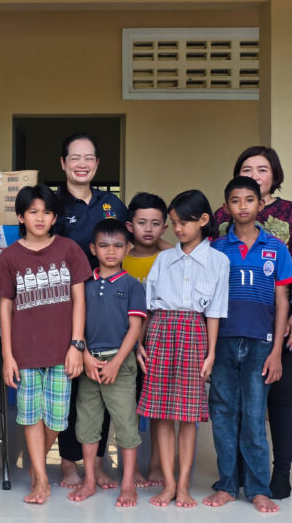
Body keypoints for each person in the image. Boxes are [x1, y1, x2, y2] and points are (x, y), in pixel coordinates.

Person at [214, 146, 292, 499]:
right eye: (247, 168)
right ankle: (236, 476)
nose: (255, 175)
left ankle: (279, 473)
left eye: (262, 169)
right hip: (232, 327)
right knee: (234, 402)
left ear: (274, 175)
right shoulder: (222, 217)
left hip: (281, 322)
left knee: (278, 396)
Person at [0, 184, 91, 504]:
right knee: (30, 416)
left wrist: (77, 345)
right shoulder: (10, 256)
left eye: (46, 212)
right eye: (32, 212)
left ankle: (36, 468)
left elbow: (79, 300)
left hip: (63, 350)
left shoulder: (69, 250)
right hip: (25, 351)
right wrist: (7, 355)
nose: (40, 218)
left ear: (55, 217)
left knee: (57, 418)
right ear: (21, 216)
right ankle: (41, 477)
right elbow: (5, 307)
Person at [203, 177, 292, 513]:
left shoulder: (277, 248)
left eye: (249, 200)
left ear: (261, 204)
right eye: (235, 200)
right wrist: (208, 351)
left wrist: (277, 352)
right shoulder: (215, 248)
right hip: (223, 342)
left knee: (255, 416)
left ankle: (258, 488)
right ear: (226, 207)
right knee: (223, 414)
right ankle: (227, 484)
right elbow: (206, 299)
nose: (242, 206)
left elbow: (282, 300)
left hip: (261, 344)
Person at [137, 190, 229, 508]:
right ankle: (169, 484)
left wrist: (211, 353)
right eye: (173, 223)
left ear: (203, 220)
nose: (177, 229)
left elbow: (215, 312)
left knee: (188, 416)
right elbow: (148, 309)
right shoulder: (163, 259)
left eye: (183, 223)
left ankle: (185, 486)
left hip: (194, 335)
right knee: (162, 415)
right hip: (160, 333)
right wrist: (139, 344)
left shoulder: (219, 261)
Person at [52, 132, 128, 489]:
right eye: (75, 158)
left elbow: (132, 241)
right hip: (62, 304)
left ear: (97, 164)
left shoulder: (113, 204)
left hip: (104, 305)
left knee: (102, 383)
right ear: (63, 163)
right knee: (70, 386)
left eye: (89, 158)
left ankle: (97, 464)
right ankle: (68, 464)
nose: (82, 164)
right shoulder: (52, 204)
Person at [67, 219, 146, 507]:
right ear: (93, 248)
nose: (110, 251)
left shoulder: (132, 285)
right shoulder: (84, 285)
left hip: (120, 365)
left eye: (117, 246)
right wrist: (85, 355)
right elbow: (77, 324)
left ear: (127, 248)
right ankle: (89, 480)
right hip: (89, 363)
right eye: (103, 246)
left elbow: (135, 328)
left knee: (126, 424)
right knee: (87, 424)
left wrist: (116, 362)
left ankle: (127, 484)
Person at [123, 192, 168, 488]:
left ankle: (155, 463)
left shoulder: (169, 258)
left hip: (158, 344)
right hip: (124, 344)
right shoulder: (120, 256)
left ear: (165, 227)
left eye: (155, 223)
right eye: (142, 222)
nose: (148, 229)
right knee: (125, 406)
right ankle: (132, 467)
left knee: (157, 407)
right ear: (130, 226)